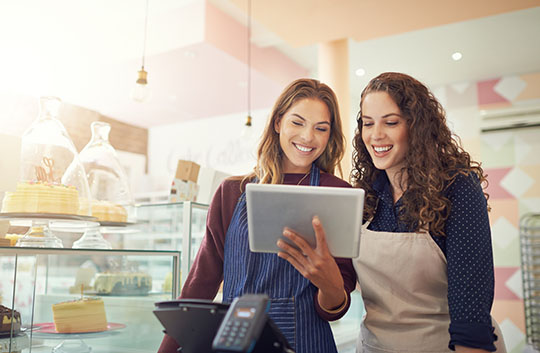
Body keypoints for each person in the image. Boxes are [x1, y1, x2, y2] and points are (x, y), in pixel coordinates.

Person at [157, 78, 357, 353]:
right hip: (235, 343)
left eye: (320, 128)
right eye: (297, 123)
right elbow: (199, 284)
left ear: (329, 135)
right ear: (278, 123)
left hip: (308, 344)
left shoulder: (338, 193)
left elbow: (336, 306)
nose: (308, 137)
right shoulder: (231, 192)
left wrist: (329, 283)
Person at [350, 72, 505, 352]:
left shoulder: (456, 188)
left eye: (391, 122)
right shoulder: (365, 196)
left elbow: (471, 316)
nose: (376, 135)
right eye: (368, 123)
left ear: (417, 126)